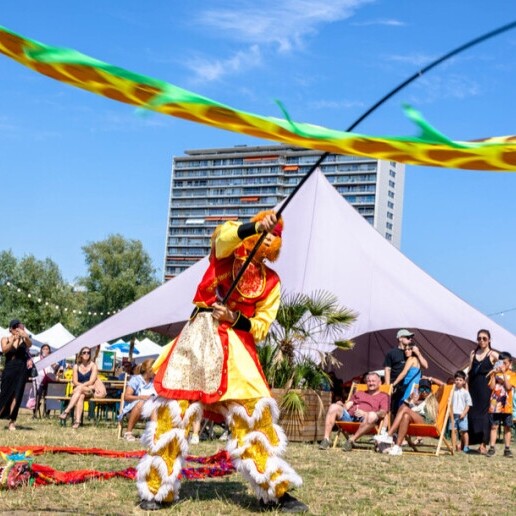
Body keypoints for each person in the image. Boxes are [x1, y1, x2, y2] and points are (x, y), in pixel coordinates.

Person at [136, 211, 307, 513]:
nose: (269, 237)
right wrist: (254, 225)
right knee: (175, 411)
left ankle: (275, 492)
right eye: (266, 231)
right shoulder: (226, 254)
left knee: (254, 416)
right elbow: (224, 237)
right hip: (198, 340)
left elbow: (262, 325)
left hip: (238, 350)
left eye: (275, 235)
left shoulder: (272, 282)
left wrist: (235, 317)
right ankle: (155, 490)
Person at [318, 371, 389, 451]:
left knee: (372, 415)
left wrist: (366, 414)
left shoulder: (383, 396)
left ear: (380, 383)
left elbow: (383, 413)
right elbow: (347, 406)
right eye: (369, 381)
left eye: (373, 381)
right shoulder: (359, 393)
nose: (371, 383)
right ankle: (326, 439)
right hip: (350, 418)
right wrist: (341, 405)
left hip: (367, 421)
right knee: (333, 407)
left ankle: (351, 440)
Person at [375, 378, 438, 456]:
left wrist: (432, 379)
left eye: (427, 389)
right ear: (418, 390)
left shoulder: (432, 398)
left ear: (430, 390)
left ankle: (389, 435)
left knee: (405, 409)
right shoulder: (415, 399)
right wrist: (409, 399)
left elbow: (444, 386)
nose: (424, 391)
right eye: (422, 389)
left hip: (426, 421)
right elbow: (401, 409)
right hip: (413, 421)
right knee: (405, 415)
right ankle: (397, 447)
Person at [468, 329, 499, 454]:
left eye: (484, 338)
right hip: (472, 386)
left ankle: (483, 444)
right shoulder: (473, 353)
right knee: (472, 413)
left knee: (484, 415)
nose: (481, 340)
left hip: (485, 387)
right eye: (479, 338)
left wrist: (494, 371)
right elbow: (470, 369)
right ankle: (470, 442)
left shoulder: (492, 354)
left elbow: (506, 362)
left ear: (489, 340)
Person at [384, 329, 428, 414]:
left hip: (409, 385)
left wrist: (418, 353)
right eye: (408, 337)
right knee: (392, 408)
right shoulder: (392, 353)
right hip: (396, 386)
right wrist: (388, 385)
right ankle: (390, 426)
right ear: (400, 338)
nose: (410, 339)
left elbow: (425, 366)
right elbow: (387, 370)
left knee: (403, 407)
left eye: (411, 337)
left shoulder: (412, 353)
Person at [0, 319, 32, 431]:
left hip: (21, 370)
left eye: (19, 327)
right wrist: (13, 339)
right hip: (9, 369)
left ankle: (12, 421)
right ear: (10, 329)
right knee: (4, 394)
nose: (17, 329)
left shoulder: (24, 339)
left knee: (17, 395)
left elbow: (30, 344)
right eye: (14, 327)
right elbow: (4, 350)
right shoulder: (5, 338)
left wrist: (25, 336)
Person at [59, 347, 101, 429]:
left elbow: (91, 381)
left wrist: (80, 387)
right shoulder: (76, 366)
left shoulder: (93, 366)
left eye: (88, 352)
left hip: (89, 389)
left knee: (79, 390)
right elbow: (74, 381)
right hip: (79, 391)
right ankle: (77, 421)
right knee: (80, 396)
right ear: (81, 354)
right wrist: (79, 387)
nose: (86, 354)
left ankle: (66, 411)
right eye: (84, 352)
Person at [486, 352, 516, 458]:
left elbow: (508, 387)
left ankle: (507, 449)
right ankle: (492, 448)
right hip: (495, 405)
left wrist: (503, 374)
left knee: (507, 427)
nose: (502, 365)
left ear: (509, 363)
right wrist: (493, 374)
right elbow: (491, 387)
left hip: (506, 406)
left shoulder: (513, 375)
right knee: (494, 426)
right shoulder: (495, 373)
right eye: (500, 363)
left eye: (505, 363)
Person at [119, 358, 156, 441]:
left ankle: (153, 434)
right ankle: (128, 433)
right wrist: (141, 397)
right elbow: (126, 397)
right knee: (141, 403)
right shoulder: (135, 380)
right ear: (149, 370)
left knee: (155, 405)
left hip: (150, 408)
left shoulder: (154, 381)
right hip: (132, 410)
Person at [391, 340, 425, 406]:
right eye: (405, 350)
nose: (406, 351)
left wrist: (394, 384)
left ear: (413, 350)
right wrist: (418, 354)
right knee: (411, 404)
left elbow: (403, 373)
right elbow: (426, 366)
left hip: (410, 385)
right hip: (416, 386)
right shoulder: (417, 359)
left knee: (403, 404)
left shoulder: (411, 359)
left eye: (409, 349)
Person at [447, 370, 473, 453]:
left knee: (464, 431)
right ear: (454, 380)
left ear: (464, 382)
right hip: (453, 414)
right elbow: (449, 402)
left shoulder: (465, 392)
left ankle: (466, 446)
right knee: (453, 431)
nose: (458, 381)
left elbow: (468, 404)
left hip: (462, 415)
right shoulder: (451, 391)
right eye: (457, 379)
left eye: (460, 380)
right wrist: (449, 413)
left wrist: (464, 413)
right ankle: (454, 446)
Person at [32, 343, 59, 418]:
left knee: (48, 396)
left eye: (47, 349)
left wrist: (52, 363)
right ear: (41, 350)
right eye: (44, 349)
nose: (45, 350)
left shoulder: (52, 358)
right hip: (38, 380)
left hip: (49, 380)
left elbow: (57, 367)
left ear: (49, 351)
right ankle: (35, 414)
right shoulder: (36, 358)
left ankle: (46, 413)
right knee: (37, 396)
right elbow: (32, 368)